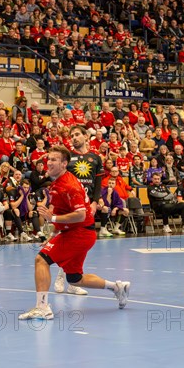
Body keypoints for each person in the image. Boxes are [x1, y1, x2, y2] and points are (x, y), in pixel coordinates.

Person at [19, 146, 131, 320]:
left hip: (79, 233)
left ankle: (42, 307)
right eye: (48, 159)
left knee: (41, 259)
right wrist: (53, 233)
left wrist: (53, 218)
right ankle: (117, 287)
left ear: (64, 164)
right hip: (77, 232)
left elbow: (81, 214)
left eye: (54, 160)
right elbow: (64, 210)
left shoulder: (69, 185)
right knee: (75, 278)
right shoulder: (57, 181)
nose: (49, 162)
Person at [52, 125, 103, 296]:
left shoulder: (95, 158)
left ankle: (73, 280)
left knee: (80, 244)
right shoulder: (68, 158)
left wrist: (95, 202)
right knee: (65, 240)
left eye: (77, 135)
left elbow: (98, 184)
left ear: (86, 136)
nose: (74, 138)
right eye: (71, 135)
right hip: (70, 207)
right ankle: (61, 277)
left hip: (87, 207)